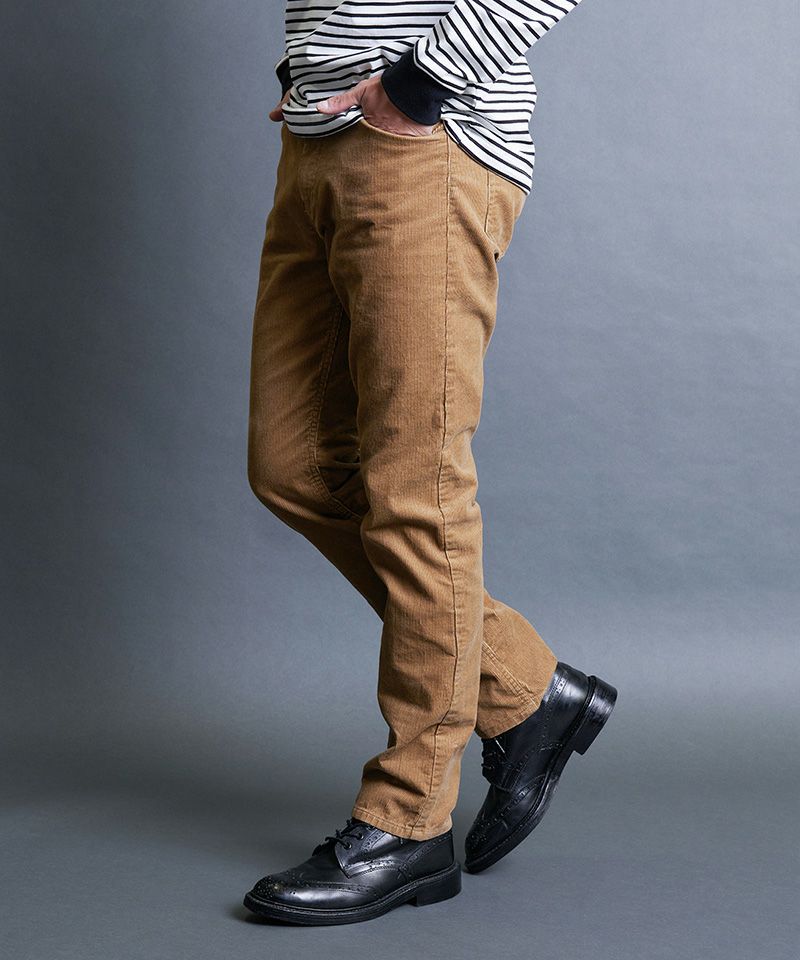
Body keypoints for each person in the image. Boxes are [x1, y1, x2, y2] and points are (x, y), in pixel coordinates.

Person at [242, 0, 618, 925]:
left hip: (426, 143)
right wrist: (311, 68)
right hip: (319, 139)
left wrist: (418, 83)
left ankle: (409, 821)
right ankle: (523, 689)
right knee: (293, 466)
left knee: (416, 487)